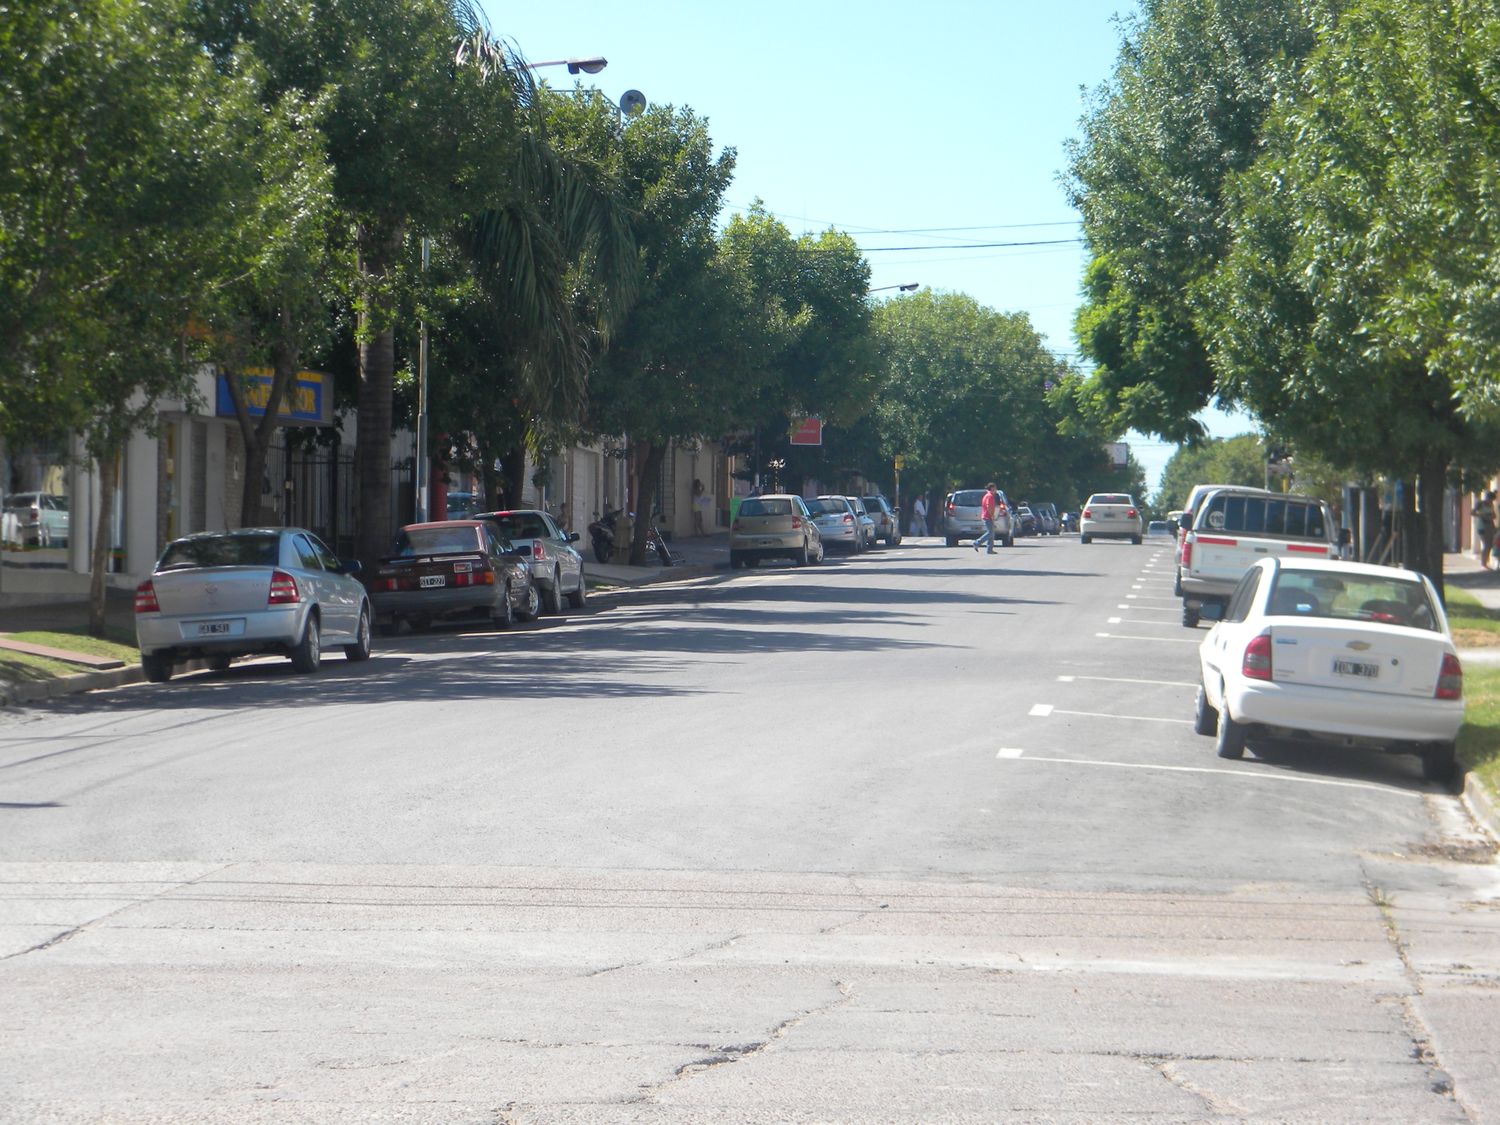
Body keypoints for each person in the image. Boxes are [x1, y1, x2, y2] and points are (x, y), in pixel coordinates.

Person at [974, 483, 1000, 554]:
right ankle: (977, 543)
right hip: (987, 516)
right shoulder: (990, 496)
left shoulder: (987, 495)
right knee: (990, 533)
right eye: (995, 488)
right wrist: (992, 515)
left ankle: (989, 549)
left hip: (986, 516)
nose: (996, 490)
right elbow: (989, 506)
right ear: (992, 488)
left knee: (991, 533)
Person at [1479, 490, 1497, 570]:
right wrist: (1483, 515)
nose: (1491, 501)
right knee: (1486, 545)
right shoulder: (1480, 504)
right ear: (1487, 498)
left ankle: (1486, 562)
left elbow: (1494, 515)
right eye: (1490, 499)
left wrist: (1492, 516)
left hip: (1490, 526)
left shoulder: (1491, 505)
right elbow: (1472, 512)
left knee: (1490, 545)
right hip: (1482, 526)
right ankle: (1483, 563)